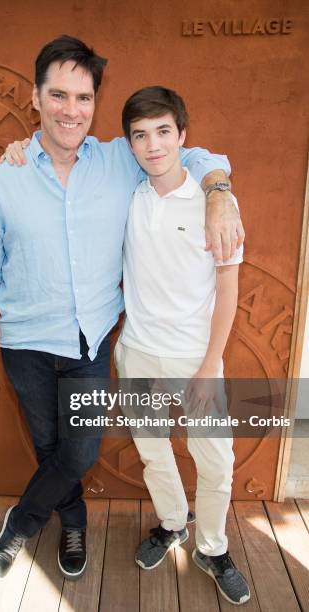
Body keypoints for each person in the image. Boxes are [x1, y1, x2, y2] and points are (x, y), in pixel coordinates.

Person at [0, 35, 244, 582]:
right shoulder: (4, 177)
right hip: (24, 346)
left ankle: (20, 524)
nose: (72, 110)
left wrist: (220, 189)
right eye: (59, 95)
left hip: (91, 345)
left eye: (84, 98)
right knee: (49, 449)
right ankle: (72, 523)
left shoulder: (119, 160)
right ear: (35, 98)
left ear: (94, 102)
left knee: (79, 453)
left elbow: (187, 151)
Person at [113, 86, 250, 605]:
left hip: (198, 358)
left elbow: (229, 288)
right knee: (154, 453)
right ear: (129, 145)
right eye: (140, 135)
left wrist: (210, 364)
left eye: (163, 132)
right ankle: (173, 523)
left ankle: (213, 548)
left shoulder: (217, 203)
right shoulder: (127, 195)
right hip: (138, 353)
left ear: (183, 137)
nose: (153, 145)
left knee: (215, 462)